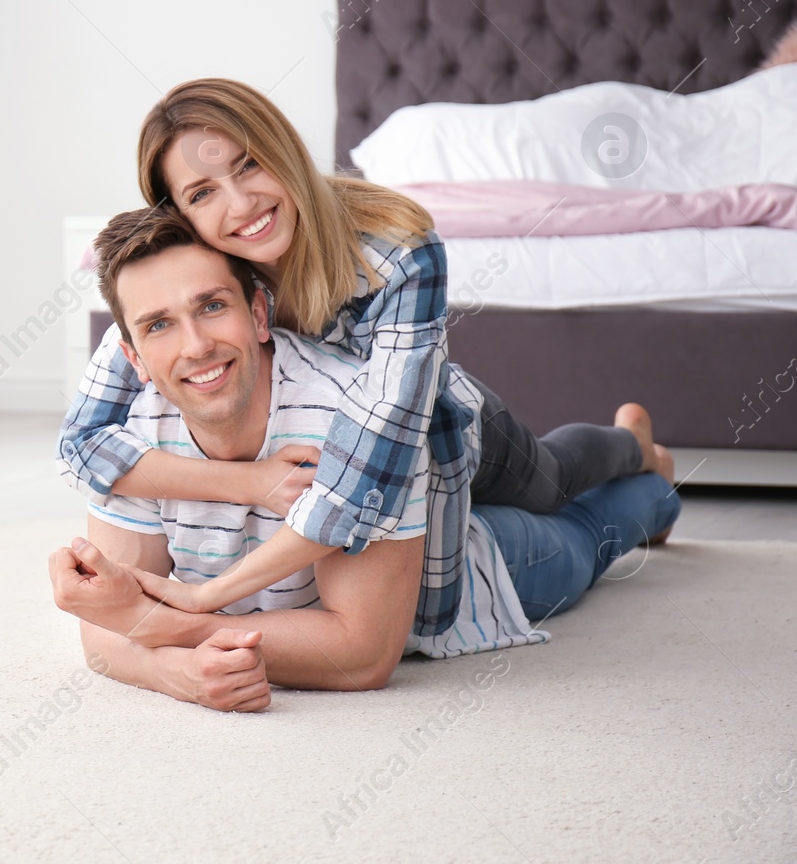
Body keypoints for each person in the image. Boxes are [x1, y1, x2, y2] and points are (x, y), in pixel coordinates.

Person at [57, 77, 661, 638]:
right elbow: (82, 442)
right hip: (380, 474)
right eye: (204, 192)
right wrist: (246, 483)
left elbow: (370, 474)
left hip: (445, 427)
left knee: (552, 479)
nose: (240, 205)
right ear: (178, 215)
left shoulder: (396, 250)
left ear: (283, 150)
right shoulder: (191, 281)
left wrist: (205, 598)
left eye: (250, 165)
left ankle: (635, 447)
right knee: (548, 533)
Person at [48, 207, 679, 711]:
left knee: (583, 528)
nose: (195, 346)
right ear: (131, 358)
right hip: (407, 518)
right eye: (157, 326)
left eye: (213, 305)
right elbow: (100, 626)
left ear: (259, 312)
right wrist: (180, 674)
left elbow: (362, 653)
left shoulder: (355, 413)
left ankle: (648, 469)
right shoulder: (128, 440)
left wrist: (163, 625)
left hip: (460, 551)